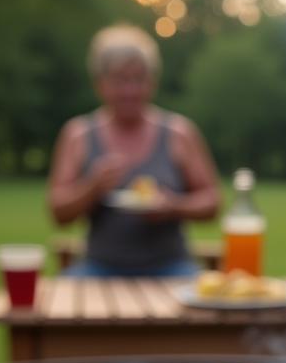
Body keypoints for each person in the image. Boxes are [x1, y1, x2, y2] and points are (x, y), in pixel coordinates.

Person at [48, 25, 220, 277]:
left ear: (153, 82)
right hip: (98, 268)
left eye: (138, 79)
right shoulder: (78, 134)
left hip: (172, 267)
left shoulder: (179, 132)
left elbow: (213, 202)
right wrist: (92, 188)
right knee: (60, 310)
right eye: (120, 80)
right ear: (100, 84)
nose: (130, 90)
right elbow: (58, 212)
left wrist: (174, 206)